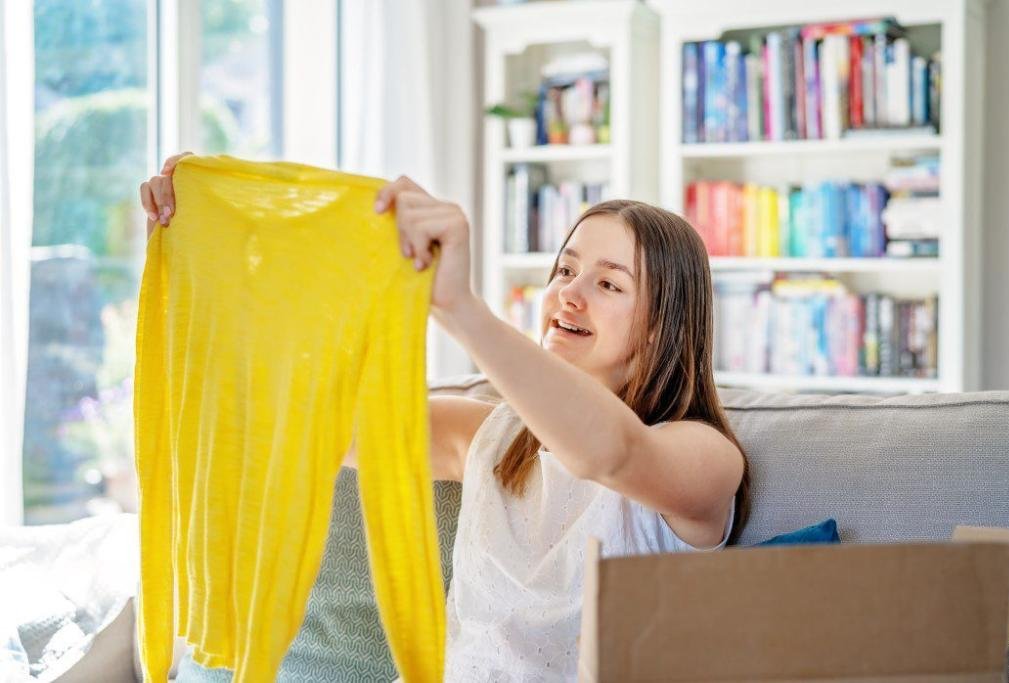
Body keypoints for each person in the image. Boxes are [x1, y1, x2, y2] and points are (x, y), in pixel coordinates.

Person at [139, 153, 750, 681]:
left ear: (666, 323)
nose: (570, 291)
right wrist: (213, 243)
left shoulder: (704, 458)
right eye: (565, 269)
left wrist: (457, 305)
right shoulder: (485, 435)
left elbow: (609, 454)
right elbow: (292, 414)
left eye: (609, 284)